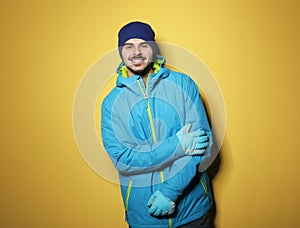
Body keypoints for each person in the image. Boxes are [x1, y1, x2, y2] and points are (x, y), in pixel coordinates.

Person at [101, 21, 214, 228]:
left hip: (193, 211)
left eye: (144, 44)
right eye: (129, 46)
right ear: (120, 51)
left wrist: (171, 192)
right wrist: (177, 145)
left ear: (152, 48)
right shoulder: (111, 103)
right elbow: (123, 159)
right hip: (145, 216)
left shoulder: (182, 83)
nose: (137, 52)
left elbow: (202, 144)